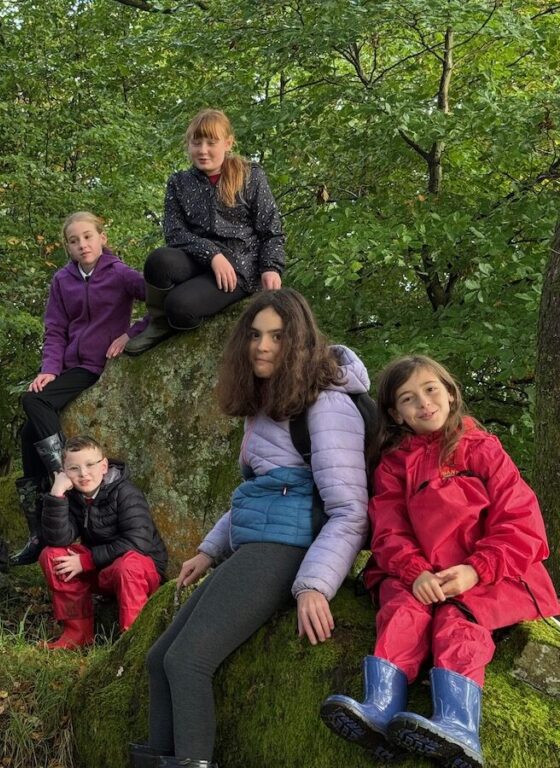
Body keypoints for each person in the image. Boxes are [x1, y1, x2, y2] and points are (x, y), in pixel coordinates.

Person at [133, 288, 369, 768]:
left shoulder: (327, 405)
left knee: (187, 661)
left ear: (299, 342)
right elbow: (260, 492)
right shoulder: (267, 402)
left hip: (285, 548)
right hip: (256, 541)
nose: (262, 346)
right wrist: (208, 550)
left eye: (277, 337)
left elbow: (351, 511)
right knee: (160, 660)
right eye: (255, 335)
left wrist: (314, 586)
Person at [320, 355, 560, 768]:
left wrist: (476, 569)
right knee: (401, 611)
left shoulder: (482, 448)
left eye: (431, 390)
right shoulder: (395, 464)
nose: (424, 404)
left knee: (457, 622)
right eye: (408, 399)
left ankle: (458, 725)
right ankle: (380, 708)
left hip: (485, 575)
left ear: (450, 393)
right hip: (419, 575)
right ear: (396, 413)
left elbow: (520, 521)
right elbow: (388, 529)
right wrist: (415, 572)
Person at [11, 211, 148, 566]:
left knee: (33, 402)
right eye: (74, 240)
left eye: (88, 237)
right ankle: (38, 534)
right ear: (68, 247)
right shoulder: (62, 280)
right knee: (29, 433)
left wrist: (130, 334)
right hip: (68, 367)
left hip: (96, 366)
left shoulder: (120, 273)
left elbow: (160, 302)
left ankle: (62, 473)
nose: (82, 244)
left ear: (102, 237)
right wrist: (49, 370)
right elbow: (55, 329)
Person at [124, 108, 285, 357]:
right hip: (199, 258)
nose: (203, 150)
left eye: (211, 142)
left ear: (228, 143)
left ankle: (182, 315)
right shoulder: (179, 182)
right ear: (188, 145)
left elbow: (271, 229)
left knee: (180, 306)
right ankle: (158, 323)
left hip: (239, 266)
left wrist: (271, 267)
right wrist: (212, 255)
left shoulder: (251, 176)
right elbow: (174, 232)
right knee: (158, 261)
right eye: (196, 143)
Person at [38, 435, 168, 650]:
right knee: (52, 555)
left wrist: (87, 560)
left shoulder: (126, 493)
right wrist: (57, 494)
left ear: (104, 465)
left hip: (141, 571)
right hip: (102, 569)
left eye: (90, 465)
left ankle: (132, 642)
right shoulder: (73, 496)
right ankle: (77, 633)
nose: (83, 474)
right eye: (74, 468)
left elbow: (138, 542)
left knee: (129, 565)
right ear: (64, 471)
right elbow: (57, 539)